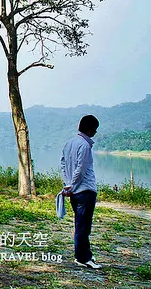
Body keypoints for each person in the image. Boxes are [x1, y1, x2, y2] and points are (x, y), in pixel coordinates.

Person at [60, 114, 100, 269]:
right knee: (84, 226)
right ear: (90, 130)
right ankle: (82, 257)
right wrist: (72, 185)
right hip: (85, 191)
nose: (95, 133)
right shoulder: (84, 145)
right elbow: (81, 170)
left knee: (80, 224)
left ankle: (84, 253)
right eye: (95, 130)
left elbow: (63, 165)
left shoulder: (69, 143)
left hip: (74, 192)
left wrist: (68, 184)